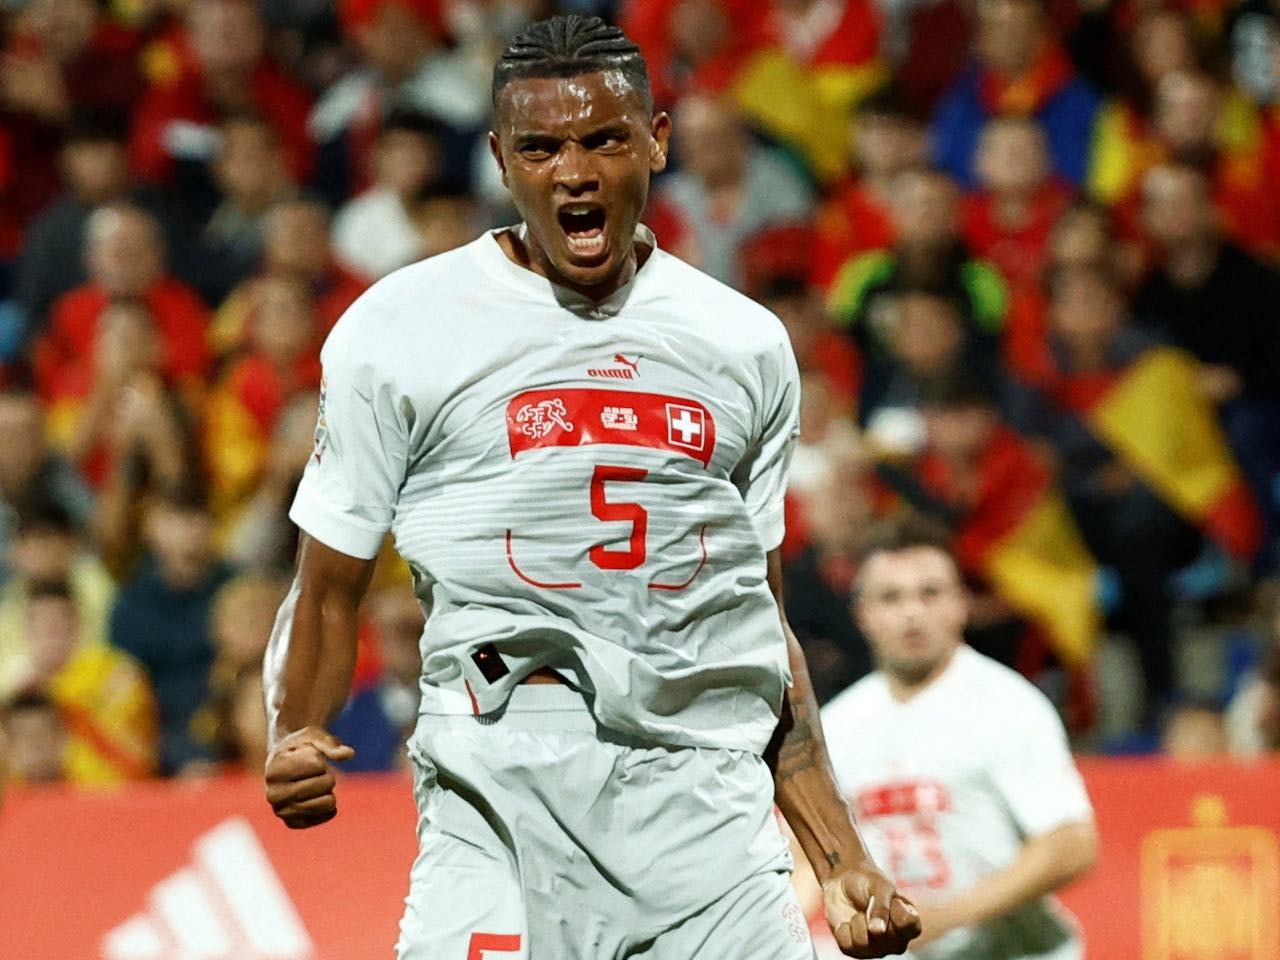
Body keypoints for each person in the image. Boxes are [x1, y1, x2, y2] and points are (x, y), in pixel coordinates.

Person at [263, 14, 920, 960]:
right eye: (541, 147)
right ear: (500, 159)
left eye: (604, 138)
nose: (574, 170)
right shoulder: (397, 332)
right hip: (501, 787)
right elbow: (326, 582)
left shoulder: (741, 343)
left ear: (656, 139)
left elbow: (755, 620)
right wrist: (295, 726)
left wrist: (837, 853)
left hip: (706, 811)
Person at [819, 515, 1097, 959]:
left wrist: (948, 916)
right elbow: (807, 857)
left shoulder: (1008, 706)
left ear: (960, 604)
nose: (912, 612)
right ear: (862, 615)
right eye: (891, 597)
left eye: (930, 593)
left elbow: (1071, 843)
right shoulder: (836, 725)